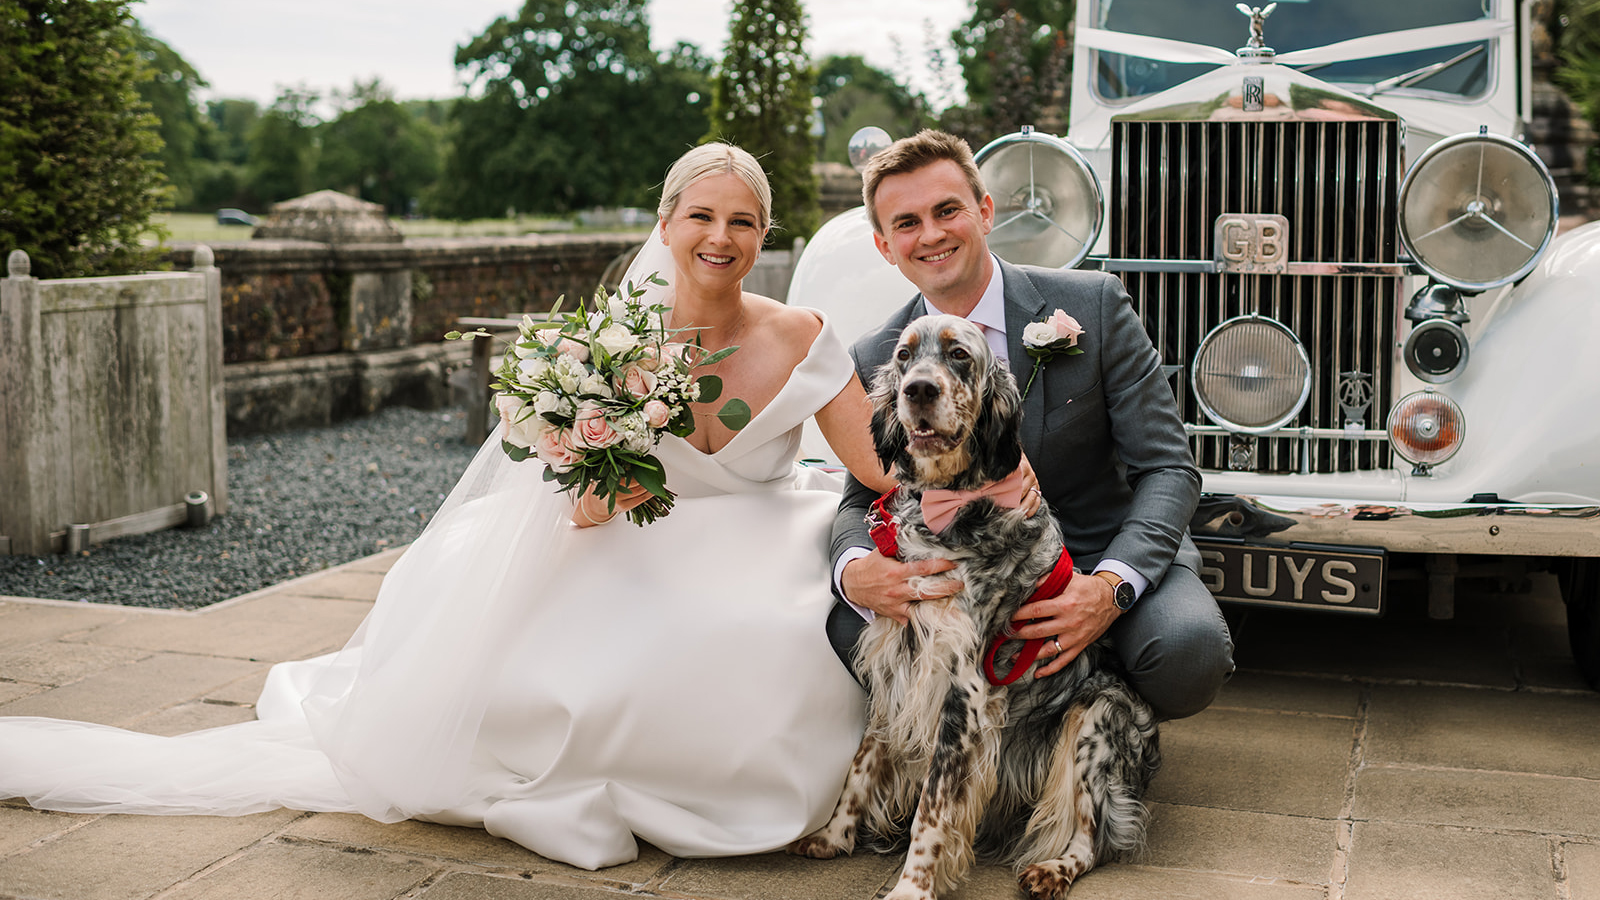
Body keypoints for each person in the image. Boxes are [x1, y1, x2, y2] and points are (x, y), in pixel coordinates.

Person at [0, 143, 898, 871]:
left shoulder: (804, 336)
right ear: (666, 224)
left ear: (765, 233)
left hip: (766, 533)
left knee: (784, 643)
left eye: (742, 221)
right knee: (600, 667)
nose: (720, 235)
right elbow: (582, 510)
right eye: (701, 215)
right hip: (634, 538)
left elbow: (877, 468)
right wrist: (602, 470)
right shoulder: (604, 347)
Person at [826, 130, 1234, 721]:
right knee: (845, 623)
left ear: (985, 211)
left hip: (1096, 553)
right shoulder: (877, 356)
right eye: (907, 222)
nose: (932, 234)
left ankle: (1102, 733)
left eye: (947, 210)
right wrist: (855, 569)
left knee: (1187, 651)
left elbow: (1168, 466)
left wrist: (1108, 589)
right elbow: (861, 493)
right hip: (964, 580)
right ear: (885, 246)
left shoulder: (1092, 305)